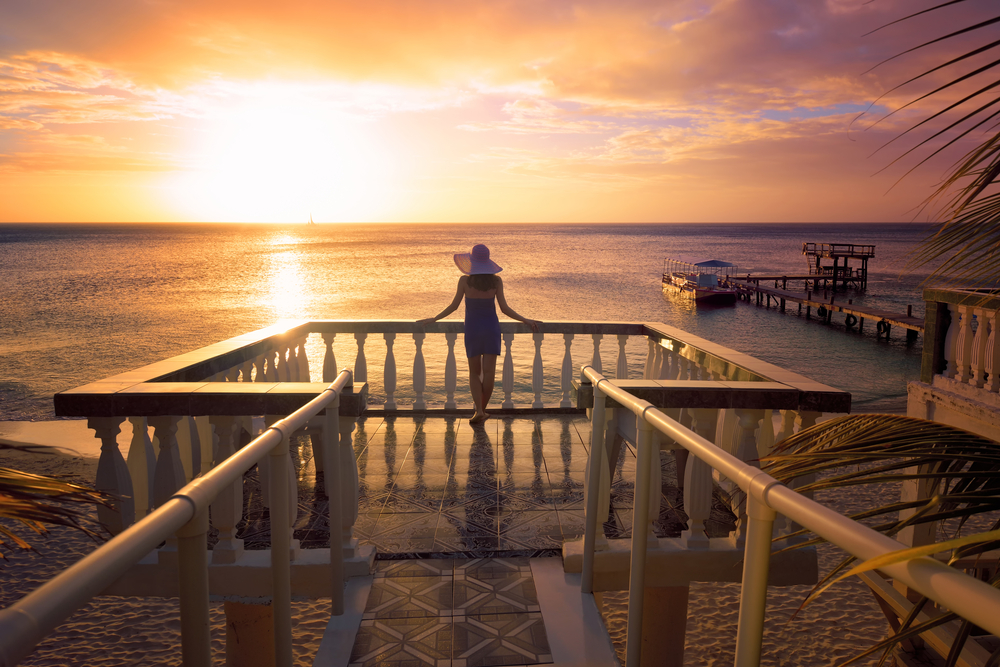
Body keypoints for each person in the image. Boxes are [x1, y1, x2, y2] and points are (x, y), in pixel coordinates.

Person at [417, 244, 541, 424]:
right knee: (489, 372)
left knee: (474, 373)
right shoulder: (496, 282)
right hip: (491, 329)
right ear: (488, 262)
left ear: (472, 262)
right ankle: (482, 410)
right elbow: (505, 309)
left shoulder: (464, 281)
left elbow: (453, 306)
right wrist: (527, 320)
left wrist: (434, 319)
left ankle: (479, 411)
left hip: (473, 330)